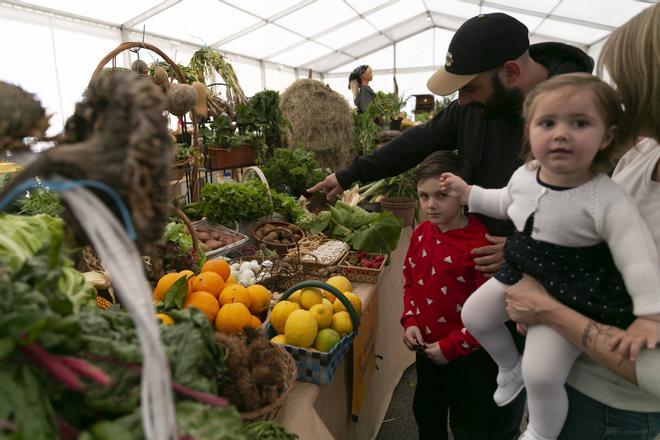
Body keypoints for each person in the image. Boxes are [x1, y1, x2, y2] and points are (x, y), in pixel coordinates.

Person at [439, 73, 660, 440]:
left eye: (580, 123)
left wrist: (651, 316)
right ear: (529, 133)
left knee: (542, 375)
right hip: (521, 270)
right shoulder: (526, 175)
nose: (561, 133)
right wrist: (469, 194)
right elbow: (504, 200)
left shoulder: (604, 197)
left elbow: (636, 259)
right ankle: (510, 366)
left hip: (570, 294)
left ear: (606, 137)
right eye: (547, 123)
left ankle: (540, 431)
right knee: (474, 314)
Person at [309, 12, 594, 279]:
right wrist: (348, 174)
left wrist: (525, 249)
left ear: (510, 73)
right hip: (479, 263)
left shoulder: (580, 113)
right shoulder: (472, 107)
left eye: (470, 88)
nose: (463, 100)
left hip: (545, 278)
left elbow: (591, 209)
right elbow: (417, 141)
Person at [504, 4, 660, 439]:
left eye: (626, 81)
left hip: (614, 414)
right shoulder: (643, 153)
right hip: (574, 379)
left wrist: (549, 310)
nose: (619, 95)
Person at [401, 151, 501, 439]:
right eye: (423, 196)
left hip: (470, 359)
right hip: (427, 352)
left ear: (463, 196)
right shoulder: (420, 234)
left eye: (441, 196)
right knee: (427, 416)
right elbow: (409, 281)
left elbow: (492, 312)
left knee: (468, 426)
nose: (431, 205)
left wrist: (453, 347)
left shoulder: (482, 244)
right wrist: (410, 321)